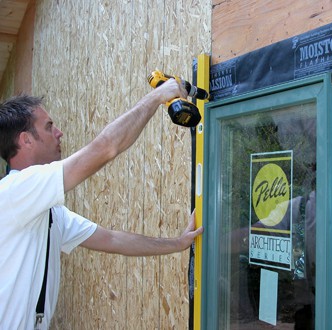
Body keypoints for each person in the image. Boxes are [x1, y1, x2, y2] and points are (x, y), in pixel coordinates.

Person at [0, 79, 204, 329]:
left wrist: (178, 243)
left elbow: (112, 240)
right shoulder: (15, 192)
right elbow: (105, 148)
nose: (59, 132)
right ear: (26, 140)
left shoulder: (47, 212)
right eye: (49, 126)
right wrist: (156, 98)